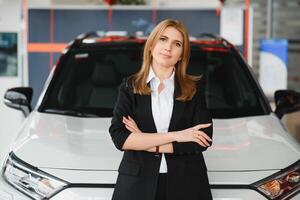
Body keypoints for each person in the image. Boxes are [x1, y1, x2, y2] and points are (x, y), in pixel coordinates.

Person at [109, 19, 213, 200]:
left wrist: (144, 140)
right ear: (151, 45)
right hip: (137, 185)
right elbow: (120, 137)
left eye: (177, 44)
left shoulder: (194, 88)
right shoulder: (130, 86)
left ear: (182, 54)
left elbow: (202, 139)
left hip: (187, 185)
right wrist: (177, 135)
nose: (168, 47)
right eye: (163, 39)